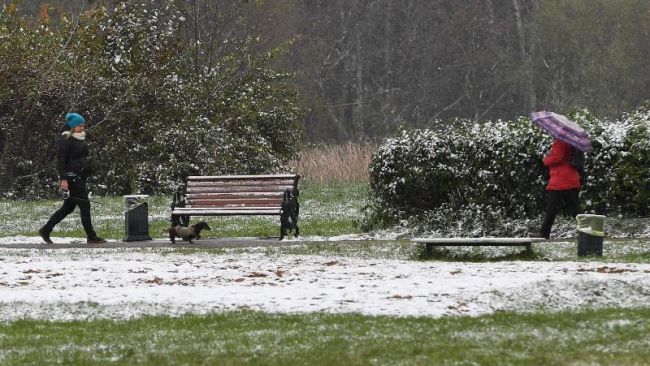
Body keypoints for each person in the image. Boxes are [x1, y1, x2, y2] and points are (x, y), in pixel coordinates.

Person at [39, 112, 106, 244]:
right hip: (71, 178)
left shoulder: (79, 139)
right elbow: (61, 161)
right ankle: (91, 236)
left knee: (68, 208)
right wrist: (63, 179)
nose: (82, 128)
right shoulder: (66, 141)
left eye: (83, 125)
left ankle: (46, 229)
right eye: (79, 126)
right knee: (85, 205)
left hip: (79, 177)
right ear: (72, 127)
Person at [539, 139, 582, 239]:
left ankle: (544, 233)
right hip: (572, 178)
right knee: (575, 209)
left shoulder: (561, 142)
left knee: (551, 208)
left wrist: (545, 160)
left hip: (560, 179)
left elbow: (556, 158)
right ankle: (587, 232)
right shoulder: (573, 142)